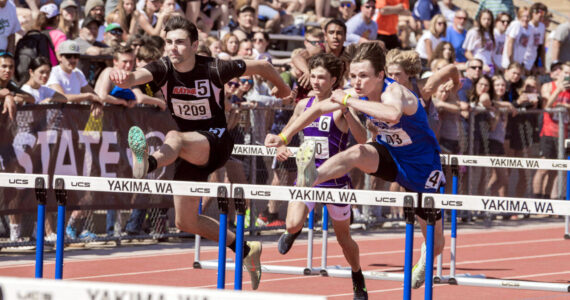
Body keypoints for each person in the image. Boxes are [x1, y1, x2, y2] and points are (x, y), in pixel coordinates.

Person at [109, 16, 291, 290]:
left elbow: (263, 66)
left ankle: (147, 164)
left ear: (195, 45)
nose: (173, 48)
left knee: (174, 137)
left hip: (216, 142)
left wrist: (284, 88)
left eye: (180, 42)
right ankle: (243, 248)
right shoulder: (163, 68)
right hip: (186, 149)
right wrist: (124, 77)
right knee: (185, 220)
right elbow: (136, 77)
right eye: (169, 42)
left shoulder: (216, 68)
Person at [266, 42, 459, 289]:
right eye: (353, 76)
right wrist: (283, 137)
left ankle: (425, 261)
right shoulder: (357, 93)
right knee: (357, 152)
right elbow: (317, 109)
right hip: (390, 156)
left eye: (363, 76)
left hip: (422, 168)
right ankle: (312, 177)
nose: (356, 82)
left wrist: (349, 100)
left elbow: (391, 115)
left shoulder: (394, 92)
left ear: (380, 75)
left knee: (436, 240)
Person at [267, 53, 368, 299]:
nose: (315, 82)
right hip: (307, 175)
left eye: (322, 77)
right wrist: (281, 146)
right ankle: (294, 230)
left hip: (335, 179)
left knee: (344, 239)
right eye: (312, 76)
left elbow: (363, 139)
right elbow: (288, 130)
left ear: (333, 80)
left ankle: (357, 277)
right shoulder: (304, 105)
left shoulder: (341, 104)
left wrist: (347, 113)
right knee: (291, 223)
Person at [463, 9, 495, 74]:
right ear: (480, 19)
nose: (486, 21)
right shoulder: (474, 32)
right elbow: (467, 52)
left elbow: (489, 53)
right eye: (484, 19)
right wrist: (479, 65)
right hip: (478, 67)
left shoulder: (491, 34)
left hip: (489, 66)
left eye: (489, 19)